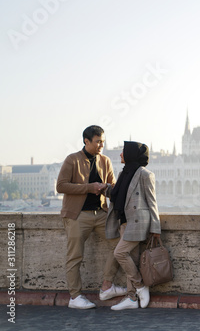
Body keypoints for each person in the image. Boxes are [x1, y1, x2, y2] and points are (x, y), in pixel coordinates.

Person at [56, 125, 127, 309]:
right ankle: (75, 297)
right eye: (98, 142)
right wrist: (89, 187)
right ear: (86, 141)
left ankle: (107, 286)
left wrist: (108, 188)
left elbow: (113, 188)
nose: (101, 145)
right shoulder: (72, 160)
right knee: (75, 257)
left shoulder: (105, 161)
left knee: (119, 246)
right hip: (77, 216)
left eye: (103, 141)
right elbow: (61, 186)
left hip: (101, 214)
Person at [104, 141, 161, 310]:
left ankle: (140, 285)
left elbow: (152, 202)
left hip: (138, 223)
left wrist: (155, 228)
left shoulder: (145, 174)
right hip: (124, 220)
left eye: (123, 152)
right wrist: (104, 188)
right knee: (132, 259)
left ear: (130, 154)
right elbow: (118, 194)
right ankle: (131, 299)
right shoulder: (124, 173)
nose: (120, 154)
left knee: (119, 253)